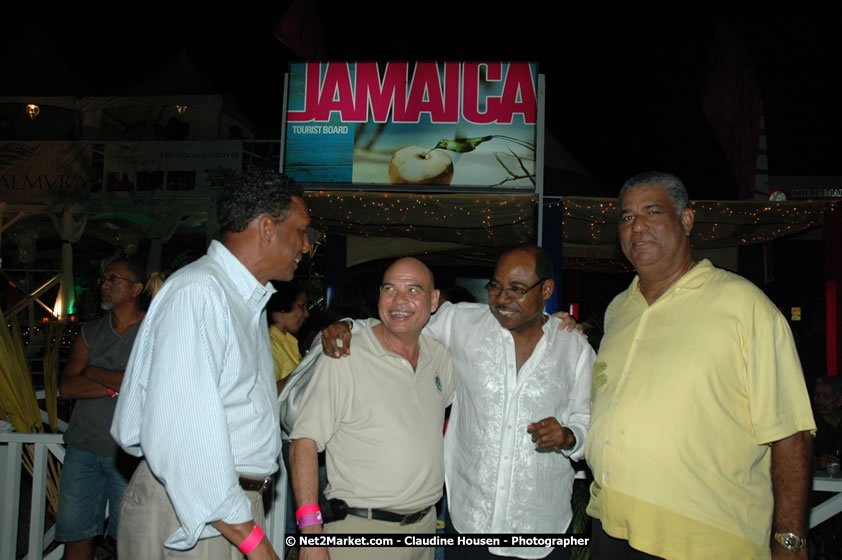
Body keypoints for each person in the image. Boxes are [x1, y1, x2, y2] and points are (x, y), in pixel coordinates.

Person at [586, 171, 815, 559]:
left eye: (652, 212)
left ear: (686, 221)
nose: (637, 226)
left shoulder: (744, 306)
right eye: (626, 217)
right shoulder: (618, 310)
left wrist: (789, 541)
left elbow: (791, 433)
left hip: (706, 540)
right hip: (611, 526)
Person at [321, 247, 593, 559]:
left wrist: (569, 437)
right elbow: (400, 323)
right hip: (469, 523)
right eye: (495, 287)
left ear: (546, 289)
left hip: (541, 528)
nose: (502, 299)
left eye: (516, 290)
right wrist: (349, 326)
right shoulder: (462, 322)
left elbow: (586, 421)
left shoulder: (574, 348)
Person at [111, 169, 311, 559]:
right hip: (193, 515)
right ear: (267, 228)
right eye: (301, 230)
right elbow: (187, 443)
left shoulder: (244, 301)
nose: (306, 245)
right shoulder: (200, 293)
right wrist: (256, 544)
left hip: (226, 513)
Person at [290, 257, 455, 560]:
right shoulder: (344, 354)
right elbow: (304, 442)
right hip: (362, 533)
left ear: (434, 301)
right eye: (389, 288)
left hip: (425, 532)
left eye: (413, 290)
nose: (399, 300)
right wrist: (311, 535)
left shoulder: (439, 358)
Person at [56, 256, 146, 560]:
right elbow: (66, 386)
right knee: (76, 538)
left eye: (113, 279)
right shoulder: (90, 331)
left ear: (136, 288)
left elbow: (147, 384)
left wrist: (91, 370)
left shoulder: (152, 331)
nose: (104, 286)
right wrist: (119, 385)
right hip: (82, 449)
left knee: (129, 543)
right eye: (104, 280)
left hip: (129, 455)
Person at [267, 282, 309, 394]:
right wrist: (306, 371)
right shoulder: (270, 345)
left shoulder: (288, 342)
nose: (306, 313)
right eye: (302, 305)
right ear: (283, 305)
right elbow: (269, 392)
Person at [813, 376, 842, 469]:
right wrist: (818, 463)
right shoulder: (809, 427)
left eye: (826, 396)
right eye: (817, 396)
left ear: (840, 400)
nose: (819, 401)